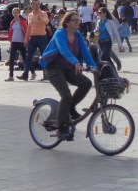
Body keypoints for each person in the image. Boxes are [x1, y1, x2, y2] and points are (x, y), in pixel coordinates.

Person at [40, 10, 97, 140]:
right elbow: (63, 49)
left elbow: (85, 52)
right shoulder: (60, 33)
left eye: (79, 20)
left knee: (86, 83)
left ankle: (70, 108)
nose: (78, 22)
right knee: (66, 95)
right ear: (67, 22)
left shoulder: (78, 36)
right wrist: (76, 62)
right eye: (75, 20)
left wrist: (95, 67)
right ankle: (61, 127)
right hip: (53, 68)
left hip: (68, 68)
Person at [19, 0, 48, 80]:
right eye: (35, 4)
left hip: (42, 37)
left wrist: (41, 19)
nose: (37, 6)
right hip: (33, 37)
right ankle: (25, 75)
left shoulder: (43, 13)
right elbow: (28, 28)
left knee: (44, 56)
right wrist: (26, 39)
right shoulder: (30, 15)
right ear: (31, 5)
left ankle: (45, 75)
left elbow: (46, 22)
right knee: (28, 57)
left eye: (38, 4)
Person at [5, 7, 28, 81]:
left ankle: (32, 72)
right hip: (14, 42)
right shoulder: (12, 22)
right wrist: (10, 40)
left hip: (21, 42)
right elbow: (11, 32)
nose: (15, 14)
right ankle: (11, 76)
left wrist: (26, 40)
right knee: (11, 60)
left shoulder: (23, 21)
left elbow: (26, 31)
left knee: (25, 59)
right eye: (13, 12)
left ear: (19, 13)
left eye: (16, 12)